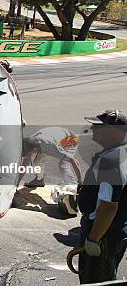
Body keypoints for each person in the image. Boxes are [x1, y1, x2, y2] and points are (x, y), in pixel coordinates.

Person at [77, 110, 126, 283]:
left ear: (113, 131)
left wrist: (93, 239)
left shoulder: (110, 160)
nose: (92, 128)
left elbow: (108, 206)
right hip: (117, 229)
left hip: (103, 233)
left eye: (98, 126)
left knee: (96, 280)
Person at [15, 126, 82, 189]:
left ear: (34, 149)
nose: (28, 155)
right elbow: (24, 165)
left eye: (29, 153)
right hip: (51, 138)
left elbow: (74, 161)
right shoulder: (29, 141)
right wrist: (16, 183)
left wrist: (80, 181)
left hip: (71, 139)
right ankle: (39, 180)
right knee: (37, 163)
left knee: (63, 165)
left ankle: (73, 187)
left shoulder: (50, 147)